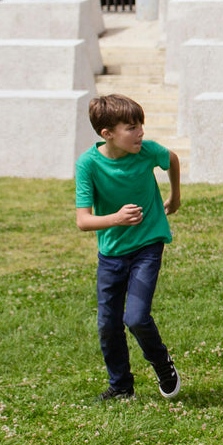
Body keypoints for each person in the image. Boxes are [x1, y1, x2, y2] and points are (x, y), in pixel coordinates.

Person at [74, 94, 182, 402]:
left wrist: (175, 197)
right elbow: (83, 221)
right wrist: (117, 219)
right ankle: (121, 386)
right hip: (111, 254)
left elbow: (171, 158)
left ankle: (162, 363)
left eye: (141, 126)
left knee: (135, 317)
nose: (141, 134)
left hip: (148, 244)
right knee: (108, 325)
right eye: (132, 128)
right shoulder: (88, 165)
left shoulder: (147, 152)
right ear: (107, 133)